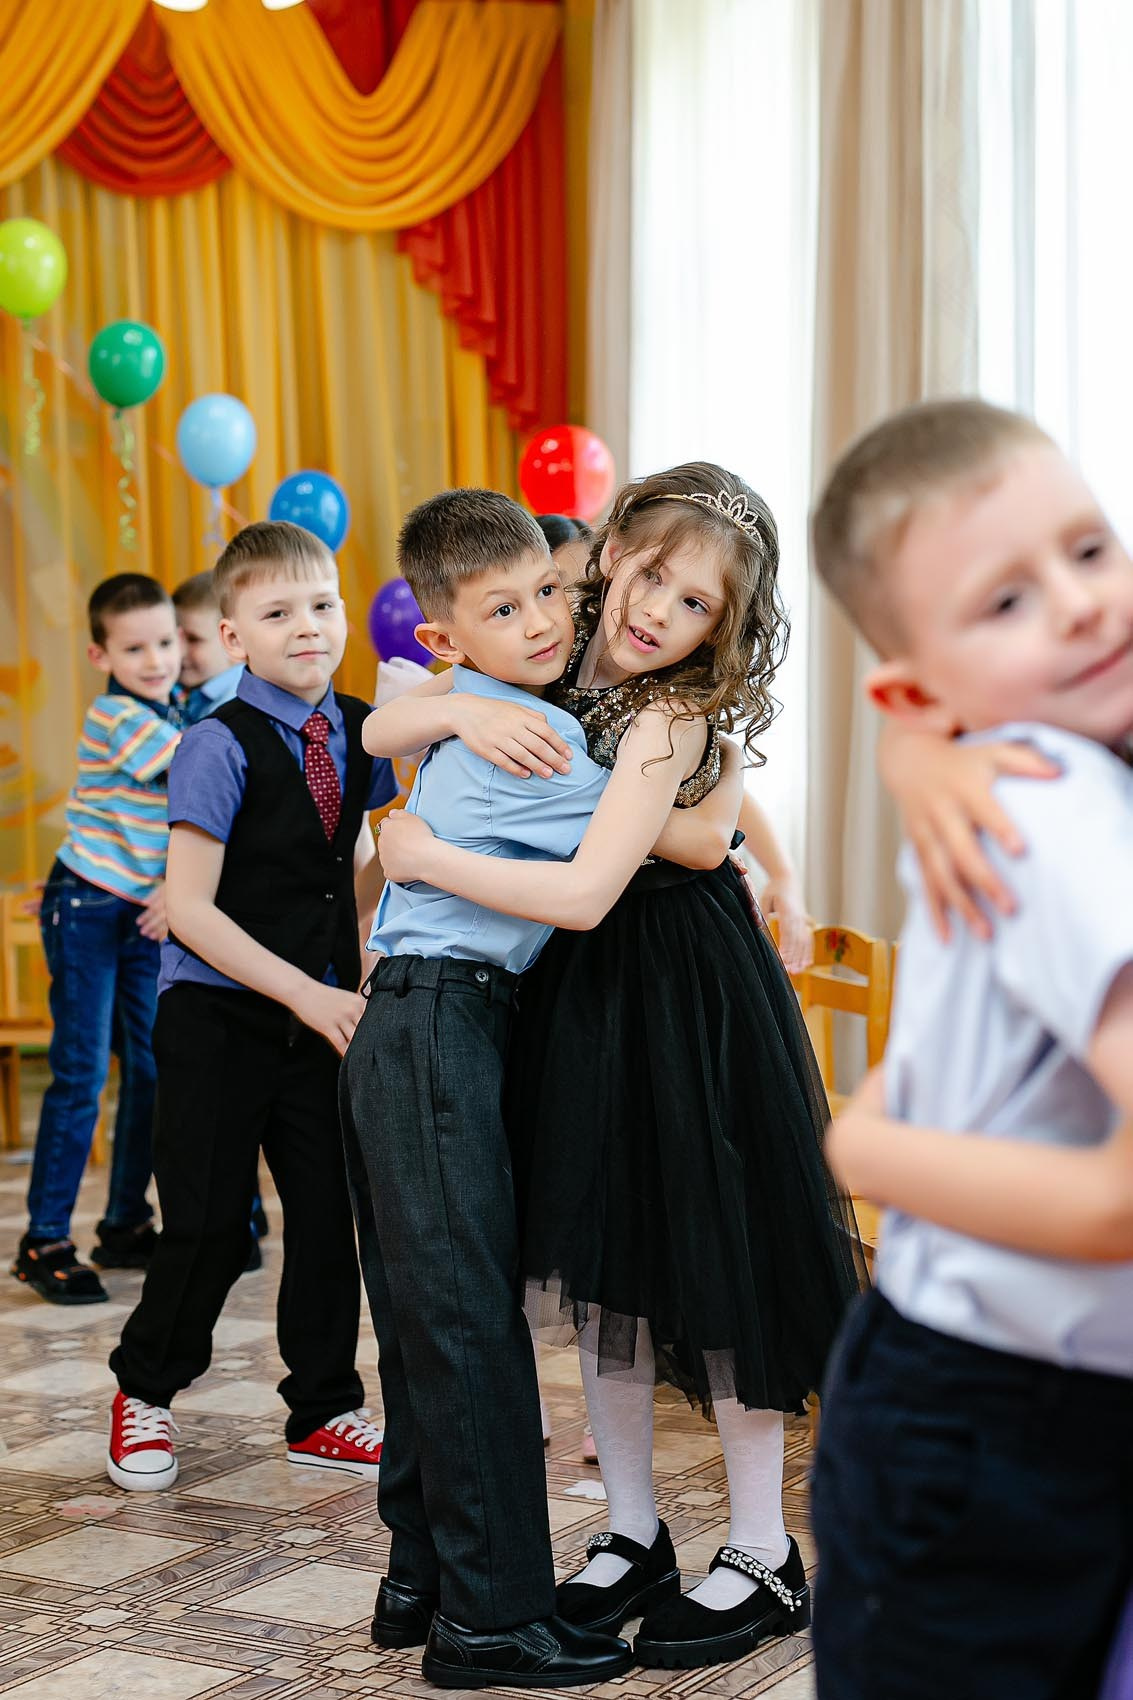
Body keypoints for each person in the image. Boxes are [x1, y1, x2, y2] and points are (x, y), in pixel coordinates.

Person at [374, 463, 863, 1672]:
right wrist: (447, 713)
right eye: (646, 572)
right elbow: (387, 708)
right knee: (604, 1266)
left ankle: (762, 1548)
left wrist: (418, 852)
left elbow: (614, 874)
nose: (656, 610)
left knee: (711, 1252)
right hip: (574, 997)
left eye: (694, 604)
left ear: (722, 629)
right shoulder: (545, 631)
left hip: (678, 989)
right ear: (603, 547)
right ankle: (634, 1530)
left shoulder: (673, 707)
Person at [345, 487, 739, 1688]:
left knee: (429, 1329)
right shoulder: (537, 732)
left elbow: (380, 735)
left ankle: (419, 1582)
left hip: (419, 1020)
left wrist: (434, 731)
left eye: (550, 593)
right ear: (448, 633)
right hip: (437, 1018)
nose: (544, 619)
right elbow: (682, 837)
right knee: (466, 1328)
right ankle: (491, 1620)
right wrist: (730, 822)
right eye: (503, 606)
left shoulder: (490, 712)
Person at [806, 397, 1133, 1699]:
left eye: (1091, 549)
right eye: (1007, 599)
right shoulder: (1042, 807)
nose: (1075, 604)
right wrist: (860, 1140)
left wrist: (862, 1139)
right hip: (985, 1410)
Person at [104, 521, 394, 1494]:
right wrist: (309, 987)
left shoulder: (361, 729)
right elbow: (185, 908)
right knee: (209, 1224)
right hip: (217, 1019)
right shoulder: (212, 743)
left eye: (322, 605)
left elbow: (355, 868)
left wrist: (353, 947)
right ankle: (144, 1386)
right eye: (276, 612)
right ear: (232, 637)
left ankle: (323, 1407)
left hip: (315, 1018)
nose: (306, 627)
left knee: (324, 1214)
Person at [11, 574, 182, 1305]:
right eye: (135, 647)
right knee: (82, 1071)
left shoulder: (168, 709)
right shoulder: (120, 717)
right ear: (99, 654)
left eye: (167, 642)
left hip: (141, 914)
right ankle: (43, 1240)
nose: (155, 659)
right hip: (85, 906)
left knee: (148, 1069)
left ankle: (124, 1223)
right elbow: (199, 771)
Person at [173, 568, 269, 1264]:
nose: (178, 653)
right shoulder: (208, 732)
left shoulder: (351, 726)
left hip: (284, 971)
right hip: (213, 981)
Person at [172, 569, 244, 723]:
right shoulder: (181, 692)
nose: (179, 651)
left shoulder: (236, 707)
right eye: (171, 638)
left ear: (235, 642)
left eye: (193, 639)